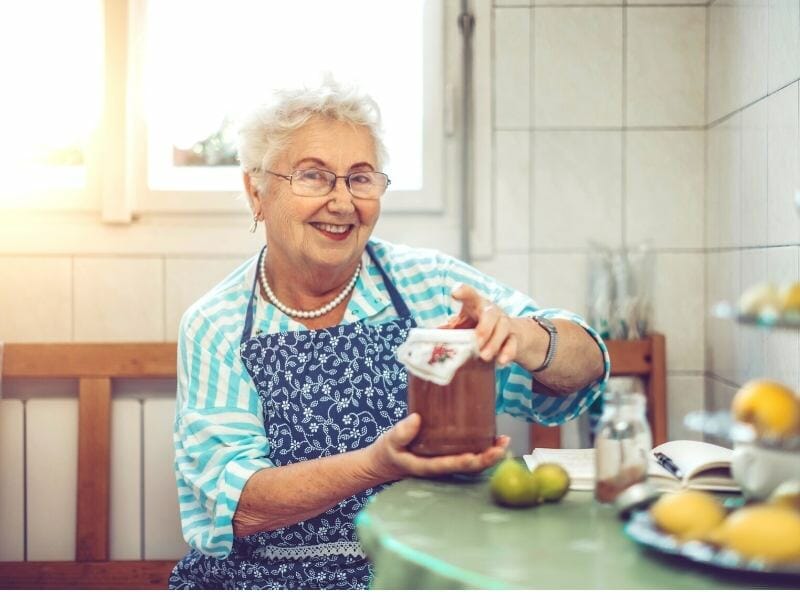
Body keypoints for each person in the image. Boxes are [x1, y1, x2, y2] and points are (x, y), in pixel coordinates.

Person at [169, 80, 610, 590]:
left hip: (430, 567)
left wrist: (520, 336)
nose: (342, 202)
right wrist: (374, 465)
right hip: (270, 578)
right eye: (313, 176)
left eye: (360, 179)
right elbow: (240, 506)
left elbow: (587, 363)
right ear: (256, 192)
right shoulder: (216, 323)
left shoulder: (432, 285)